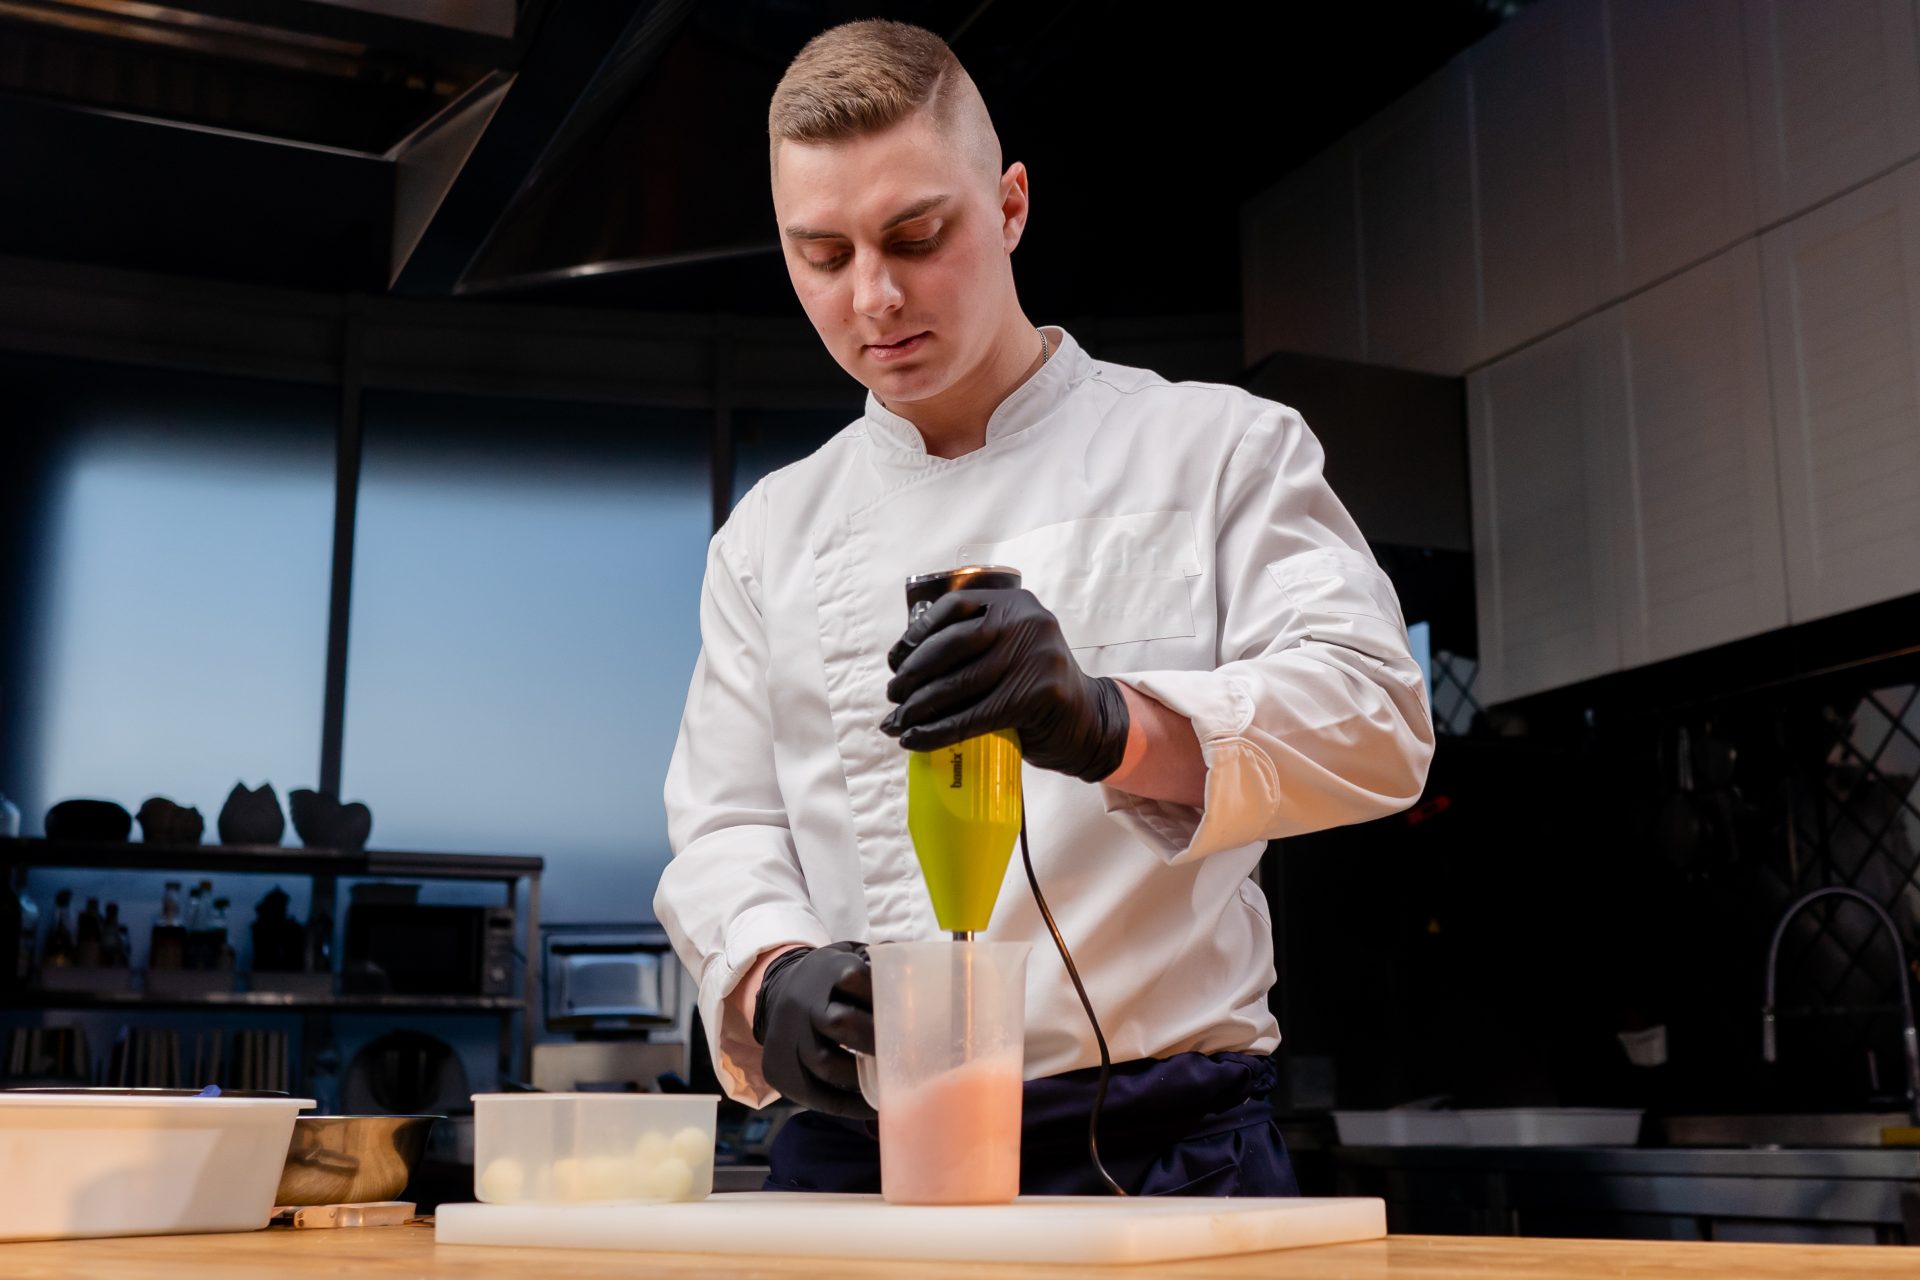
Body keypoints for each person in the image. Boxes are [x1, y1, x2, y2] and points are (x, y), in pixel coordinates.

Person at [655, 18, 1433, 1196]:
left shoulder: (1217, 449)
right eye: (822, 254)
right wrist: (771, 970)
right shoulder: (769, 535)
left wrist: (1109, 721)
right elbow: (724, 827)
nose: (873, 296)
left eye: (918, 235)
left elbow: (1379, 718)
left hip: (1164, 1151)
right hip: (854, 1163)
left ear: (1011, 205)